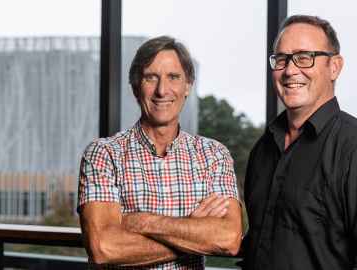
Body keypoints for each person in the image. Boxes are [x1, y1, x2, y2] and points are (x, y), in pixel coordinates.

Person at [243, 15, 357, 270]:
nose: (289, 70)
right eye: (282, 59)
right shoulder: (263, 149)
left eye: (304, 57)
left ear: (335, 67)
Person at [78, 36, 242, 269]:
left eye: (173, 77)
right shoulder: (103, 154)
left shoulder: (214, 155)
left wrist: (143, 221)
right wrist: (191, 230)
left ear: (187, 86)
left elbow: (228, 239)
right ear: (136, 87)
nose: (162, 90)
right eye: (150, 77)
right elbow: (104, 248)